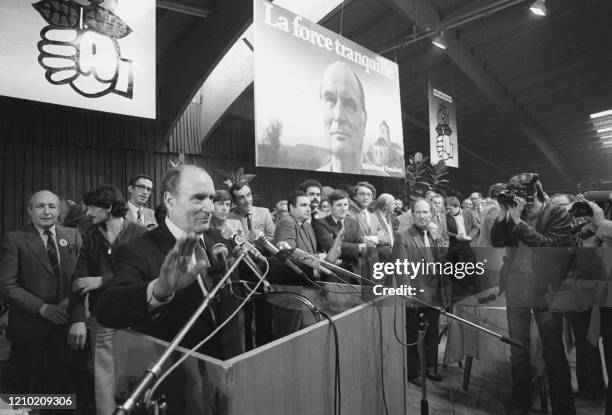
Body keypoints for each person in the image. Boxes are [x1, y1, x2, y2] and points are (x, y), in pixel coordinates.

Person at [95, 165, 231, 359]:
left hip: (224, 363)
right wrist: (159, 290)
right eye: (199, 198)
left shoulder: (216, 238)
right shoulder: (138, 250)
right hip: (174, 370)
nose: (209, 208)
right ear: (170, 200)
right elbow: (108, 309)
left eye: (211, 198)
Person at [491, 173, 575, 415]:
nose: (514, 199)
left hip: (545, 290)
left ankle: (563, 407)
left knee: (553, 350)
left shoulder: (556, 212)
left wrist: (518, 222)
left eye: (516, 193)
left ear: (533, 193)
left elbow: (547, 246)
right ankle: (521, 403)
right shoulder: (516, 212)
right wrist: (502, 213)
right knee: (517, 350)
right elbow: (497, 241)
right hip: (517, 288)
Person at [67, 185, 146, 415]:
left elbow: (141, 277)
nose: (88, 213)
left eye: (92, 208)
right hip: (102, 320)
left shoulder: (139, 234)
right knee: (102, 381)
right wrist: (78, 319)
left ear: (108, 207)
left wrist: (100, 281)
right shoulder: (91, 236)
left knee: (134, 378)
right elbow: (79, 279)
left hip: (136, 319)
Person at [0, 190, 82, 397]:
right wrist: (42, 308)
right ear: (30, 210)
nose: (47, 211)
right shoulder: (14, 239)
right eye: (40, 206)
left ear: (59, 210)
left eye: (52, 206)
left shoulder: (73, 235)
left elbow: (82, 275)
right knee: (26, 391)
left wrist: (70, 300)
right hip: (29, 328)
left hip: (65, 326)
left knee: (62, 390)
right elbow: (7, 285)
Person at [392, 199, 449, 386]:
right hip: (415, 294)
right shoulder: (403, 236)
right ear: (412, 214)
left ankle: (428, 368)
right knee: (413, 335)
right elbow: (401, 268)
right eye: (418, 212)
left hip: (434, 293)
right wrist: (406, 292)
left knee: (432, 333)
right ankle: (414, 372)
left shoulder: (434, 234)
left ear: (431, 214)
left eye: (425, 212)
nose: (422, 216)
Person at [316, 62, 387, 176]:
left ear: (364, 120)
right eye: (330, 100)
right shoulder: (316, 176)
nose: (338, 116)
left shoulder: (382, 177)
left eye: (349, 103)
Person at [227, 181, 275, 348]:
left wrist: (260, 240)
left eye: (248, 195)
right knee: (247, 317)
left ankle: (266, 346)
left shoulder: (264, 213)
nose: (247, 200)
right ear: (234, 202)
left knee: (265, 314)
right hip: (243, 274)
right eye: (241, 198)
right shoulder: (229, 218)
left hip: (264, 270)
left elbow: (273, 239)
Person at [312, 189, 365, 282]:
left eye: (345, 205)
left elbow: (362, 247)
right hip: (333, 274)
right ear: (330, 206)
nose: (343, 208)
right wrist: (357, 248)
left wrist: (359, 248)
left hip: (355, 273)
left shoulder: (354, 223)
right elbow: (330, 246)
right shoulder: (320, 223)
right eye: (339, 205)